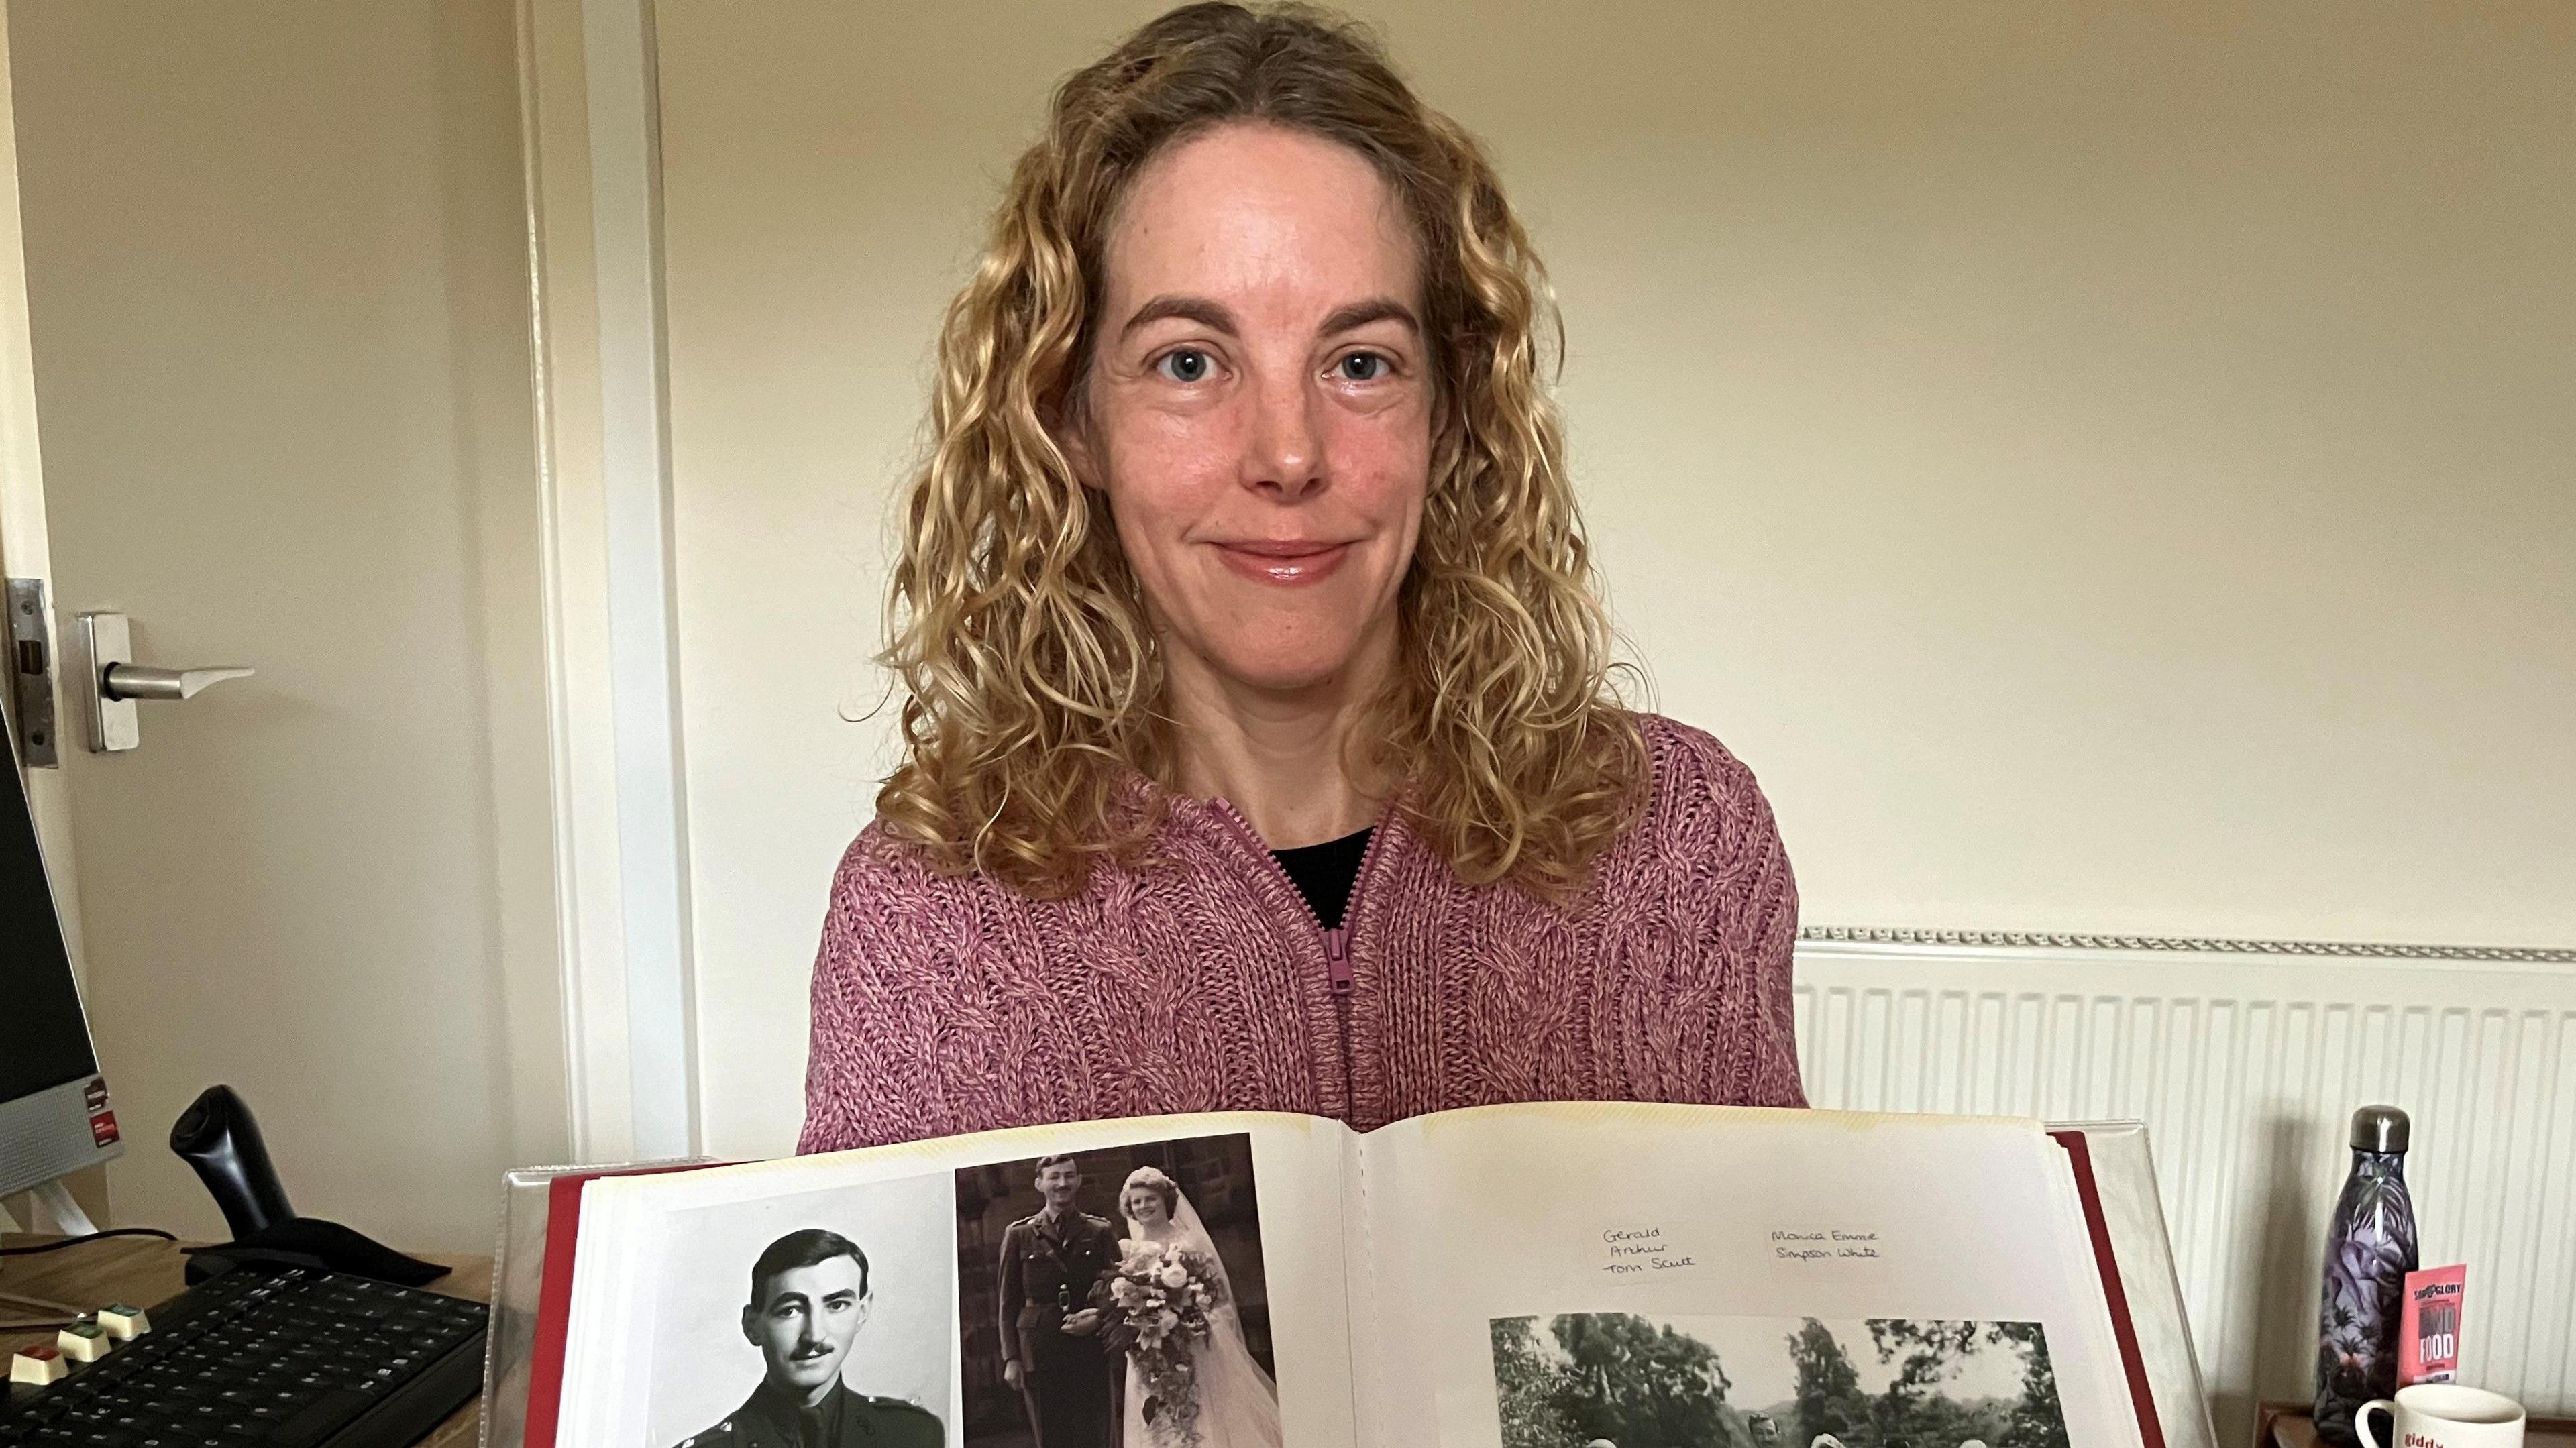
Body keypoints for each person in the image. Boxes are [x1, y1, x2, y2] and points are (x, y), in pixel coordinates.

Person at [799, 1, 1802, 1156]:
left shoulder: (1679, 842)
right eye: (1189, 361)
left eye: (1360, 362)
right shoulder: (931, 917)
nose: (1288, 453)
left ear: (1447, 412)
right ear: (1072, 418)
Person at [674, 1229, 941, 1448]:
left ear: (863, 1311)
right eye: (790, 1311)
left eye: (837, 1305)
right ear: (753, 1326)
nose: (815, 1336)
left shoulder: (913, 1435)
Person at [1111, 1167, 1282, 1447]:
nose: (1144, 1206)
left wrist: (1188, 1315)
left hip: (1194, 1342)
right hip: (1150, 1345)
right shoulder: (1128, 1250)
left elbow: (1218, 1295)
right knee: (1157, 1410)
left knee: (1201, 1406)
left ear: (1165, 1200)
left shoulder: (1189, 1242)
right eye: (1137, 1201)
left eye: (1150, 1198)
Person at [998, 1156, 1124, 1448]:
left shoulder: (1099, 1231)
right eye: (1054, 1177)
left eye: (1069, 1176)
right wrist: (1011, 1358)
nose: (1062, 1184)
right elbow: (1008, 1301)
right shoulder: (1019, 1235)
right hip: (1040, 1348)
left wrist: (1099, 1318)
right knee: (1051, 1432)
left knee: (1097, 1428)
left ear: (1079, 1181)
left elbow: (1120, 1289)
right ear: (1040, 1184)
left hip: (1091, 1344)